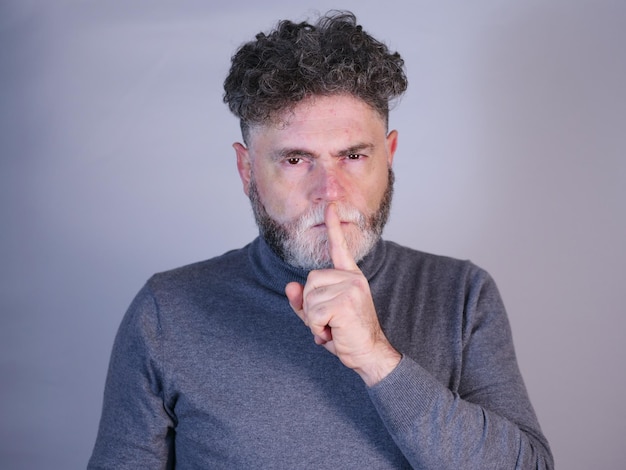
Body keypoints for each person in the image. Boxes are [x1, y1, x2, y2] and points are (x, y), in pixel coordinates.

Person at [88, 11, 553, 469]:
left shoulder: (462, 295)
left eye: (352, 155)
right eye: (295, 160)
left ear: (388, 156)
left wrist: (377, 358)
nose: (329, 191)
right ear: (247, 169)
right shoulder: (166, 312)